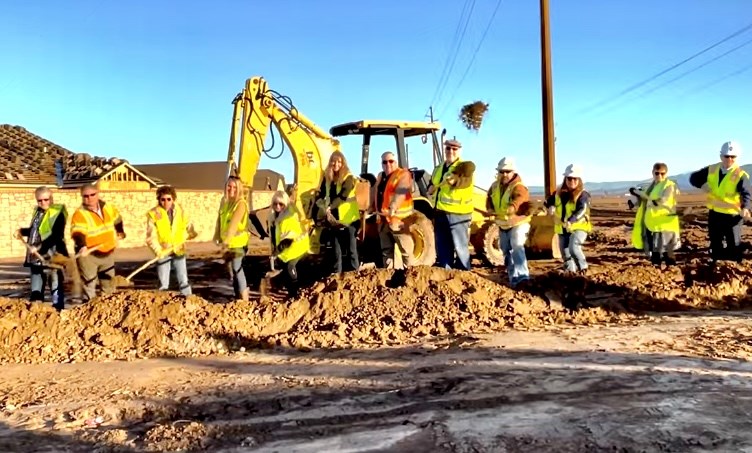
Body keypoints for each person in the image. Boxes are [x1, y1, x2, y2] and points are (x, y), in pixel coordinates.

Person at [689, 140, 751, 264]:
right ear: (721, 156)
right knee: (716, 243)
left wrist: (745, 207)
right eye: (727, 156)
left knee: (733, 244)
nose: (729, 159)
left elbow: (746, 194)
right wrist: (702, 185)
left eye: (733, 157)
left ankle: (733, 271)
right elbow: (693, 178)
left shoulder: (740, 175)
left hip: (732, 216)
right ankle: (716, 268)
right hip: (715, 214)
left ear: (737, 157)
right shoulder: (712, 169)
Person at [14, 186, 68, 310]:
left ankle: (58, 312)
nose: (43, 203)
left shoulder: (58, 213)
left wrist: (39, 248)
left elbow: (56, 236)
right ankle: (36, 313)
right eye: (40, 200)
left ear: (51, 198)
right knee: (36, 288)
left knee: (55, 285)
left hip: (52, 256)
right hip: (35, 258)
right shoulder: (38, 212)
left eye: (46, 199)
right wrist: (22, 231)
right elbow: (36, 231)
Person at [70, 183, 126, 302]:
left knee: (109, 285)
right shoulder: (80, 214)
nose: (89, 198)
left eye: (92, 195)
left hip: (108, 253)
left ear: (97, 194)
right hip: (89, 256)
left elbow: (117, 219)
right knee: (89, 286)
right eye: (85, 196)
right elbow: (78, 232)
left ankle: (108, 310)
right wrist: (82, 246)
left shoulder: (108, 207)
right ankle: (89, 312)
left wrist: (120, 231)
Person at [427, 139, 475, 270]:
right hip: (440, 213)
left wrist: (454, 180)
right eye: (448, 148)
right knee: (443, 247)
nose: (451, 151)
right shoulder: (438, 169)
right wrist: (431, 187)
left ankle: (464, 274)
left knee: (460, 247)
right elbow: (432, 183)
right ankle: (447, 275)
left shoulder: (464, 167)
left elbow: (463, 181)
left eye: (454, 149)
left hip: (458, 215)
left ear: (460, 151)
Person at [311, 151, 360, 274]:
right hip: (333, 219)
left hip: (349, 219)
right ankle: (337, 274)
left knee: (351, 249)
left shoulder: (348, 178)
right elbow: (322, 194)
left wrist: (330, 207)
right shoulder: (327, 178)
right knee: (335, 249)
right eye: (333, 161)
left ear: (343, 163)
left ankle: (355, 274)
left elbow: (343, 195)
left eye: (339, 161)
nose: (336, 164)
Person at [486, 157, 532, 287]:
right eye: (502, 171)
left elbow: (520, 199)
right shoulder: (495, 186)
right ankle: (513, 279)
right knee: (505, 250)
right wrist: (489, 208)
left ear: (513, 172)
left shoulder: (519, 187)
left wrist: (512, 207)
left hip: (517, 223)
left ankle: (523, 277)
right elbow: (489, 199)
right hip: (503, 224)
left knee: (517, 245)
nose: (504, 174)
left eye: (507, 171)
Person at [146, 185, 198, 296]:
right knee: (163, 284)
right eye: (163, 199)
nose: (166, 202)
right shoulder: (154, 214)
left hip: (178, 249)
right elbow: (151, 236)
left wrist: (192, 232)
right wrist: (158, 250)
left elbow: (188, 224)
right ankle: (162, 305)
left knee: (183, 279)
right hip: (163, 251)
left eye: (168, 199)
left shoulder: (181, 211)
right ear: (159, 200)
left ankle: (188, 300)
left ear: (173, 199)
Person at [628, 163, 680, 266]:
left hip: (665, 224)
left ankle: (672, 271)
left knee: (667, 251)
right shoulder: (651, 186)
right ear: (653, 173)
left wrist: (642, 195)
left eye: (662, 173)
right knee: (655, 250)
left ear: (666, 173)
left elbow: (662, 202)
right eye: (657, 173)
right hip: (652, 223)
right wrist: (635, 198)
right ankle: (656, 270)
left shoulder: (669, 186)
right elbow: (645, 200)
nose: (659, 176)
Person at [544, 164, 592, 274]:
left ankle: (583, 268)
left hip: (578, 227)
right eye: (569, 179)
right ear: (565, 179)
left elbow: (582, 209)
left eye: (575, 179)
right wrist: (550, 206)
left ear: (579, 180)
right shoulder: (559, 193)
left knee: (573, 247)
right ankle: (570, 273)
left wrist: (572, 220)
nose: (572, 181)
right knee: (565, 253)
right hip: (563, 228)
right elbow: (548, 202)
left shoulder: (583, 195)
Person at [372, 151, 416, 269]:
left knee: (405, 250)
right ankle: (389, 278)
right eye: (385, 162)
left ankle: (410, 277)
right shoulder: (381, 176)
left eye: (391, 161)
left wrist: (393, 207)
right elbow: (376, 194)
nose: (388, 164)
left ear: (396, 162)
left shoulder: (403, 174)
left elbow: (400, 193)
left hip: (399, 220)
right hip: (384, 220)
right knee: (386, 252)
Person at [213, 176, 251, 301]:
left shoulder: (241, 204)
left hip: (238, 243)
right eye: (229, 186)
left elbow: (233, 225)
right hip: (228, 243)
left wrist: (226, 241)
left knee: (237, 268)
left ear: (239, 188)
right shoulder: (224, 202)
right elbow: (220, 221)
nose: (231, 189)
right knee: (232, 272)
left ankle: (245, 299)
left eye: (235, 186)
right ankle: (237, 296)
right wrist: (217, 236)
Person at [268, 190, 310, 298]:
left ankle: (294, 295)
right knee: (285, 267)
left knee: (290, 268)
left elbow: (287, 240)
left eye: (281, 204)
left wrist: (276, 252)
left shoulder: (288, 218)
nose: (278, 206)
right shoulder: (275, 217)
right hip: (288, 248)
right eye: (275, 203)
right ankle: (282, 285)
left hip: (298, 246)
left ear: (285, 204)